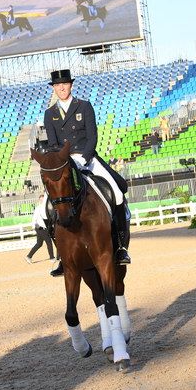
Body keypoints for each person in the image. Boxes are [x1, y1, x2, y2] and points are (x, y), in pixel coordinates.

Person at [43, 69, 131, 275]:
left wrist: (84, 158)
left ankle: (120, 247)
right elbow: (53, 144)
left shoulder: (84, 106)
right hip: (65, 162)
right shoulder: (49, 114)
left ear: (71, 85)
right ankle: (62, 256)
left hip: (87, 158)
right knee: (47, 206)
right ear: (54, 88)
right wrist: (63, 161)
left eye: (64, 84)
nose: (61, 88)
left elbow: (92, 136)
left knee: (117, 194)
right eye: (57, 85)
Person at [25, 195, 55, 264]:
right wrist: (37, 227)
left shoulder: (46, 209)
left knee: (39, 244)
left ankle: (29, 256)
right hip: (40, 228)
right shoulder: (38, 209)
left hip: (42, 228)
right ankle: (52, 258)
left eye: (43, 200)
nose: (42, 201)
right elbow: (34, 219)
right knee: (49, 242)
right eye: (41, 200)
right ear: (39, 201)